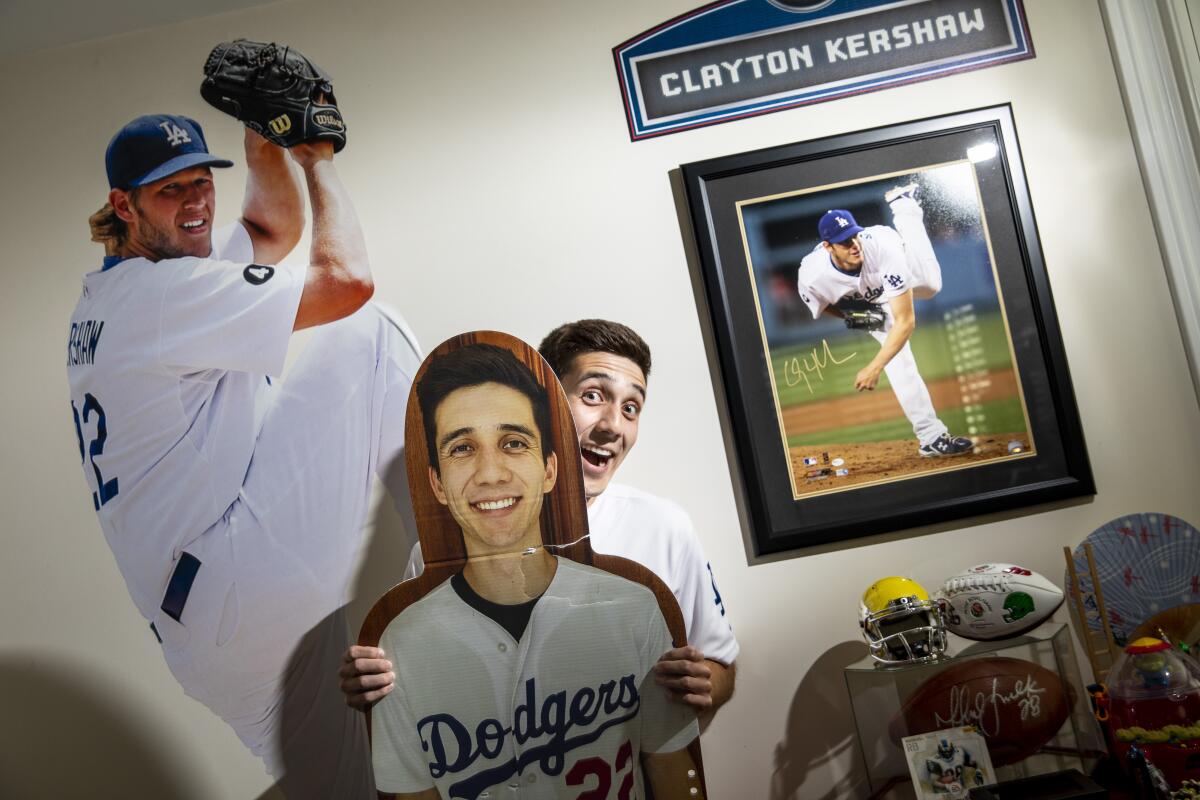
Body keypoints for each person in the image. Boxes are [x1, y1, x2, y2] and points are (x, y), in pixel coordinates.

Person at [68, 113, 421, 797]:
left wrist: (262, 151)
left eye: (203, 182)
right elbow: (346, 281)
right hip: (236, 579)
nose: (197, 203)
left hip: (205, 635)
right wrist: (316, 161)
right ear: (124, 205)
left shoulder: (117, 293)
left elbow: (270, 232)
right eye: (171, 191)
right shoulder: (164, 294)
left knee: (350, 784)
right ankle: (446, 569)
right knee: (369, 330)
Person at [342, 320, 738, 717]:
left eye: (630, 407)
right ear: (547, 411)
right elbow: (413, 688)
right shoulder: (437, 554)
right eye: (593, 395)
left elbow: (720, 665)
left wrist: (702, 683)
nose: (613, 425)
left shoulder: (665, 527)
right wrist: (375, 685)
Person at [371, 342, 702, 799]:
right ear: (437, 483)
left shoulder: (635, 604)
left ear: (550, 468)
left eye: (513, 443)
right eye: (463, 447)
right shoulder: (401, 641)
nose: (490, 473)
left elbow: (673, 772)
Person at [796, 184, 973, 457]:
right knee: (900, 359)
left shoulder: (882, 248)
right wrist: (855, 318)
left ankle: (903, 205)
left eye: (854, 235)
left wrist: (874, 367)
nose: (854, 244)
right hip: (871, 303)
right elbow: (825, 305)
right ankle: (931, 437)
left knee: (931, 285)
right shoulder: (812, 276)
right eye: (845, 241)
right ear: (828, 246)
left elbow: (906, 321)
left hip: (899, 264)